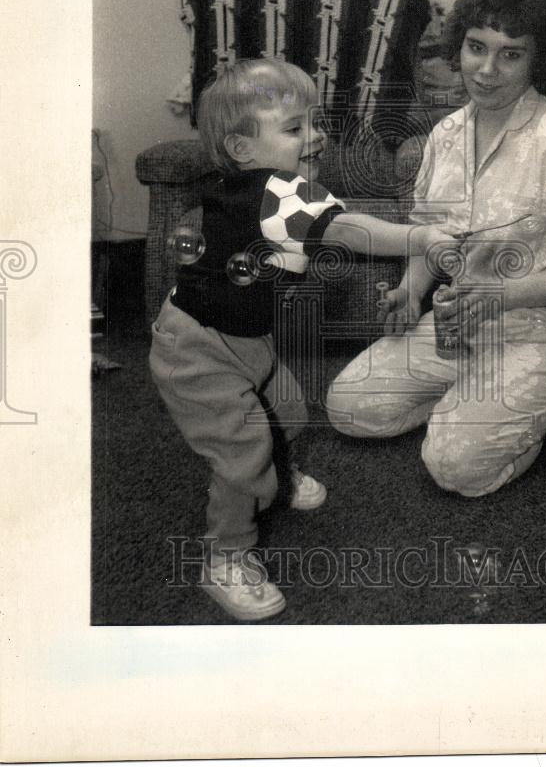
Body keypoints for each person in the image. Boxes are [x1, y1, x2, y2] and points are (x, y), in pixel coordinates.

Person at [149, 58, 458, 621]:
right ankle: (225, 558)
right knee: (242, 452)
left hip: (242, 333)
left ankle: (281, 475)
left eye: (313, 123)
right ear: (243, 150)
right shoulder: (278, 193)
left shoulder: (272, 188)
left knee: (286, 410)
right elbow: (347, 229)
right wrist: (422, 236)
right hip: (197, 348)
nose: (314, 136)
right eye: (294, 129)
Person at [326, 0, 546, 498]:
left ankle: (496, 420)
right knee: (347, 407)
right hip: (460, 327)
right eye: (476, 48)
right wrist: (410, 291)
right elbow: (431, 231)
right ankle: (468, 406)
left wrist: (501, 295)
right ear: (459, 46)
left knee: (456, 469)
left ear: (538, 60)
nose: (486, 70)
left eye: (510, 54)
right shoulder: (445, 136)